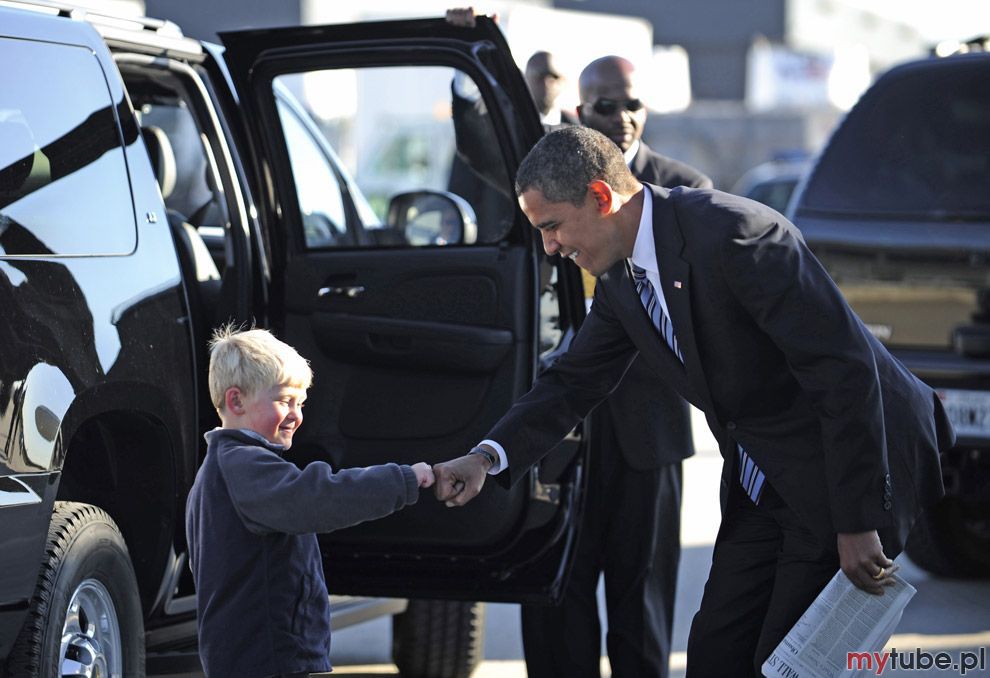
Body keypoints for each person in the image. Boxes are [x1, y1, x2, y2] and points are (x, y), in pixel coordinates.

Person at [433, 126, 952, 677]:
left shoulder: (738, 236)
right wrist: (485, 458)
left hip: (846, 469)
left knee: (789, 665)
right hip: (763, 478)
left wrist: (857, 519)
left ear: (602, 198)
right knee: (715, 655)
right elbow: (572, 383)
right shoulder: (620, 280)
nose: (550, 247)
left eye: (552, 226)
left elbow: (844, 372)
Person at [519, 56, 712, 678]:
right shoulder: (547, 185)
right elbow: (481, 150)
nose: (623, 118)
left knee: (643, 605)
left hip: (647, 430)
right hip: (560, 434)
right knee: (555, 596)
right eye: (606, 106)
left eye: (633, 104)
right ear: (579, 112)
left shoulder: (687, 191)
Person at [185, 326, 435, 678]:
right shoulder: (247, 466)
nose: (296, 415)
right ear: (236, 401)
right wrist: (402, 479)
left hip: (248, 654)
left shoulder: (215, 472)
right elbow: (322, 497)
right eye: (284, 400)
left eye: (300, 404)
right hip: (268, 655)